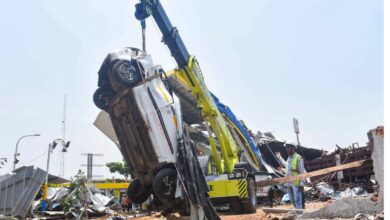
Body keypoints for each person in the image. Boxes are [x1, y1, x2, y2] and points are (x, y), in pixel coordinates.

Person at [284, 141, 307, 209]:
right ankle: (299, 211)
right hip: (289, 183)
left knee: (298, 200)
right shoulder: (289, 158)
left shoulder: (298, 158)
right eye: (286, 148)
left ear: (293, 148)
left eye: (288, 147)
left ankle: (299, 215)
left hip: (296, 184)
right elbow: (288, 169)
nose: (287, 149)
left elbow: (302, 172)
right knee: (292, 200)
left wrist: (302, 184)